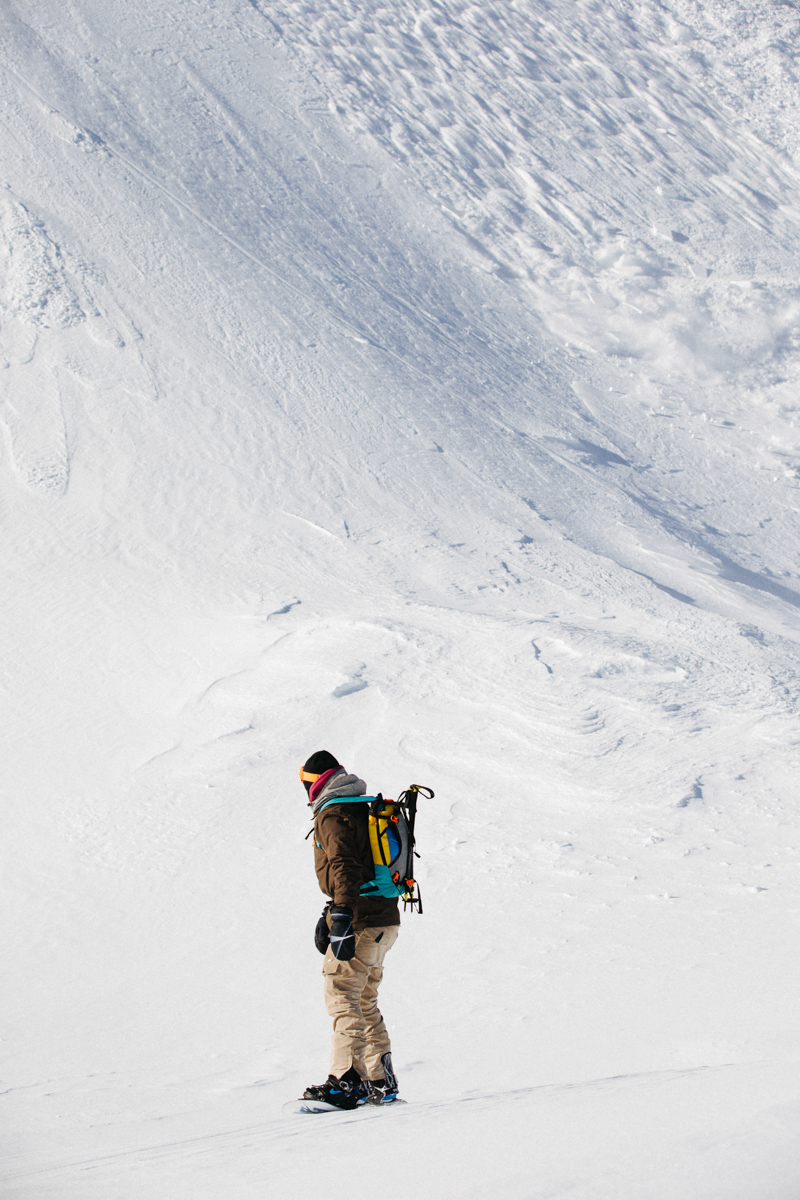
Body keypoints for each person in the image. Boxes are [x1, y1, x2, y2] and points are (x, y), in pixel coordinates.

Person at [299, 750, 401, 1109]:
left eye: (306, 783)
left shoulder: (334, 813)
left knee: (342, 994)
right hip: (385, 919)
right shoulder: (362, 807)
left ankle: (345, 1081)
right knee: (364, 999)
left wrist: (341, 914)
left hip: (359, 921)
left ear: (317, 782)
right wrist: (331, 911)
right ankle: (380, 1080)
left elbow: (344, 864)